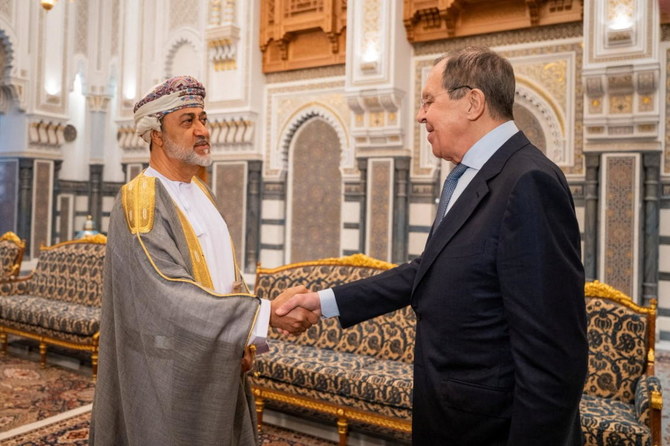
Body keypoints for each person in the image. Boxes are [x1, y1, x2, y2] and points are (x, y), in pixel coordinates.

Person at [276, 47, 588, 445]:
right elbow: (429, 269)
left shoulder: (528, 181)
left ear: (473, 102)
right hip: (450, 416)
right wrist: (323, 301)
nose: (421, 115)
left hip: (493, 428)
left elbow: (553, 355)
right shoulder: (470, 177)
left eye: (428, 101)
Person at [90, 75, 317, 446]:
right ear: (157, 134)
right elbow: (167, 294)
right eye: (188, 121)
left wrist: (244, 341)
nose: (202, 130)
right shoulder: (140, 199)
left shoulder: (201, 192)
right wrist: (263, 314)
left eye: (204, 119)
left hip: (216, 355)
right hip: (168, 372)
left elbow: (226, 276)